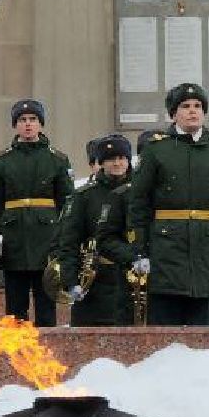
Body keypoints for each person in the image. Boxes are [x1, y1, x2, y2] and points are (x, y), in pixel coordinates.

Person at [125, 82, 209, 326]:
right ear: (173, 113)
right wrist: (139, 250)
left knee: (201, 332)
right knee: (164, 330)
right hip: (166, 252)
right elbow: (138, 205)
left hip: (206, 255)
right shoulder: (157, 151)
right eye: (185, 106)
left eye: (198, 106)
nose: (192, 111)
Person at [0, 97, 72, 325]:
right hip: (15, 243)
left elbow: (68, 208)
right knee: (15, 312)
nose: (28, 124)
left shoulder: (57, 160)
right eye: (22, 120)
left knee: (46, 309)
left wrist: (65, 245)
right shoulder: (1, 161)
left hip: (47, 242)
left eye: (33, 119)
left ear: (41, 123)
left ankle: (45, 356)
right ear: (15, 125)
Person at [55, 133, 137, 326]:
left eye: (122, 158)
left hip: (131, 277)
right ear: (101, 163)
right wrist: (71, 281)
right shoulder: (85, 196)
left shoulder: (141, 192)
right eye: (110, 159)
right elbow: (69, 241)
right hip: (94, 280)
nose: (117, 164)